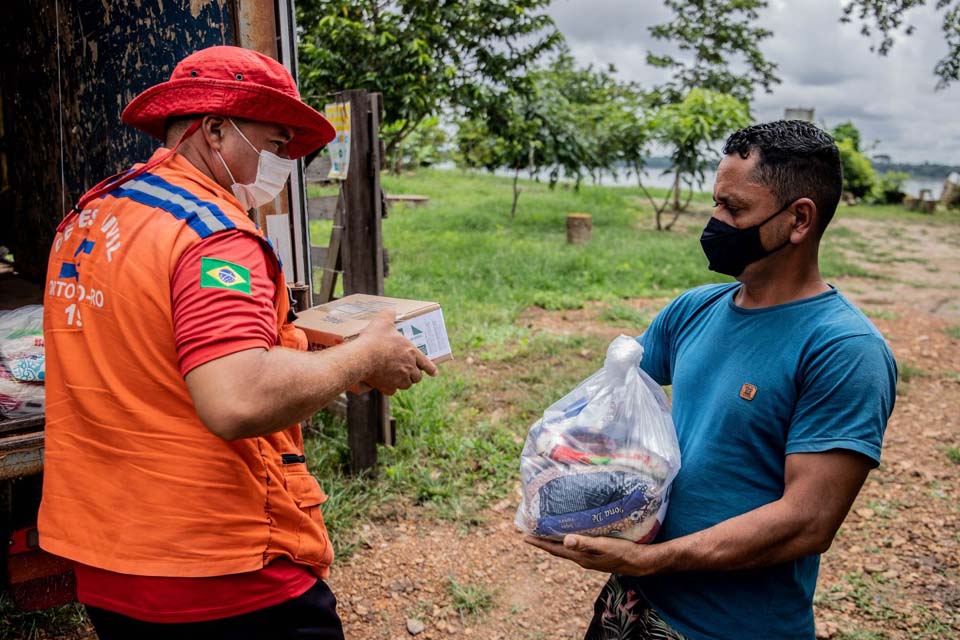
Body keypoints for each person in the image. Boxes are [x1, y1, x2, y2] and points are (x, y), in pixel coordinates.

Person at [39, 45, 436, 639]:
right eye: (274, 146)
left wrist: (320, 361)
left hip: (107, 555)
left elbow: (156, 356)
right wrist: (366, 352)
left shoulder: (92, 215)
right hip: (221, 568)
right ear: (217, 131)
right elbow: (237, 398)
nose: (278, 167)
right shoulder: (213, 234)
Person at [525, 120, 897, 639]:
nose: (715, 222)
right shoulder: (693, 310)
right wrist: (559, 472)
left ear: (799, 219)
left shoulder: (844, 350)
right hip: (631, 603)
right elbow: (609, 408)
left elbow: (809, 521)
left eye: (735, 209)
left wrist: (655, 559)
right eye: (717, 203)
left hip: (729, 626)